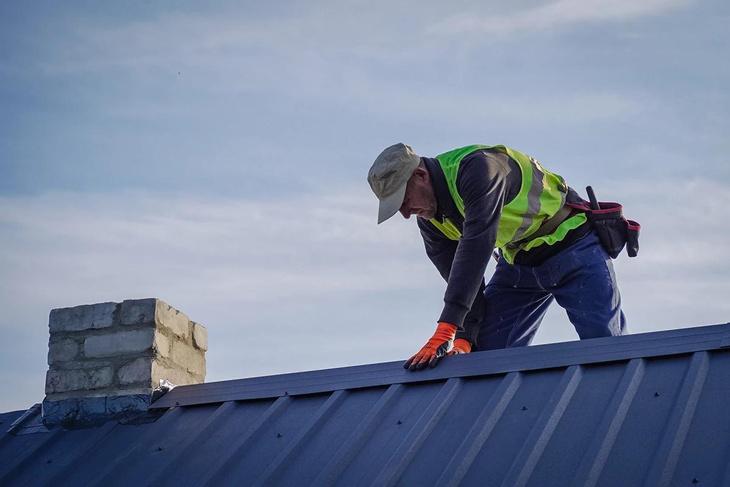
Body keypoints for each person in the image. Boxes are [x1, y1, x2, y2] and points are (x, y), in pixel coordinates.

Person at [367, 143, 627, 371]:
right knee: (484, 357)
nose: (405, 214)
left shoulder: (480, 169)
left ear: (421, 175)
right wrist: (465, 336)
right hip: (519, 265)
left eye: (403, 201)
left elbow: (478, 242)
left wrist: (447, 327)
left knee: (605, 349)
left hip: (573, 248)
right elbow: (460, 278)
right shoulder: (430, 222)